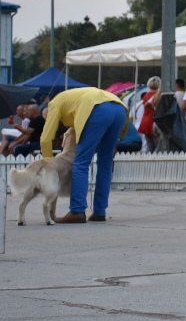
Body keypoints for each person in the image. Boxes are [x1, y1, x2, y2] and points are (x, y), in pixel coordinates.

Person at [40, 87, 129, 223]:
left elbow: (46, 138)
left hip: (96, 109)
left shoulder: (54, 104)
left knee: (81, 163)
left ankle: (77, 211)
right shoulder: (72, 97)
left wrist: (48, 166)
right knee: (105, 163)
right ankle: (99, 212)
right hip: (120, 108)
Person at [139, 76, 162, 152]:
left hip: (145, 121)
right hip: (154, 121)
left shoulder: (146, 95)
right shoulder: (159, 96)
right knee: (158, 146)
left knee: (150, 146)